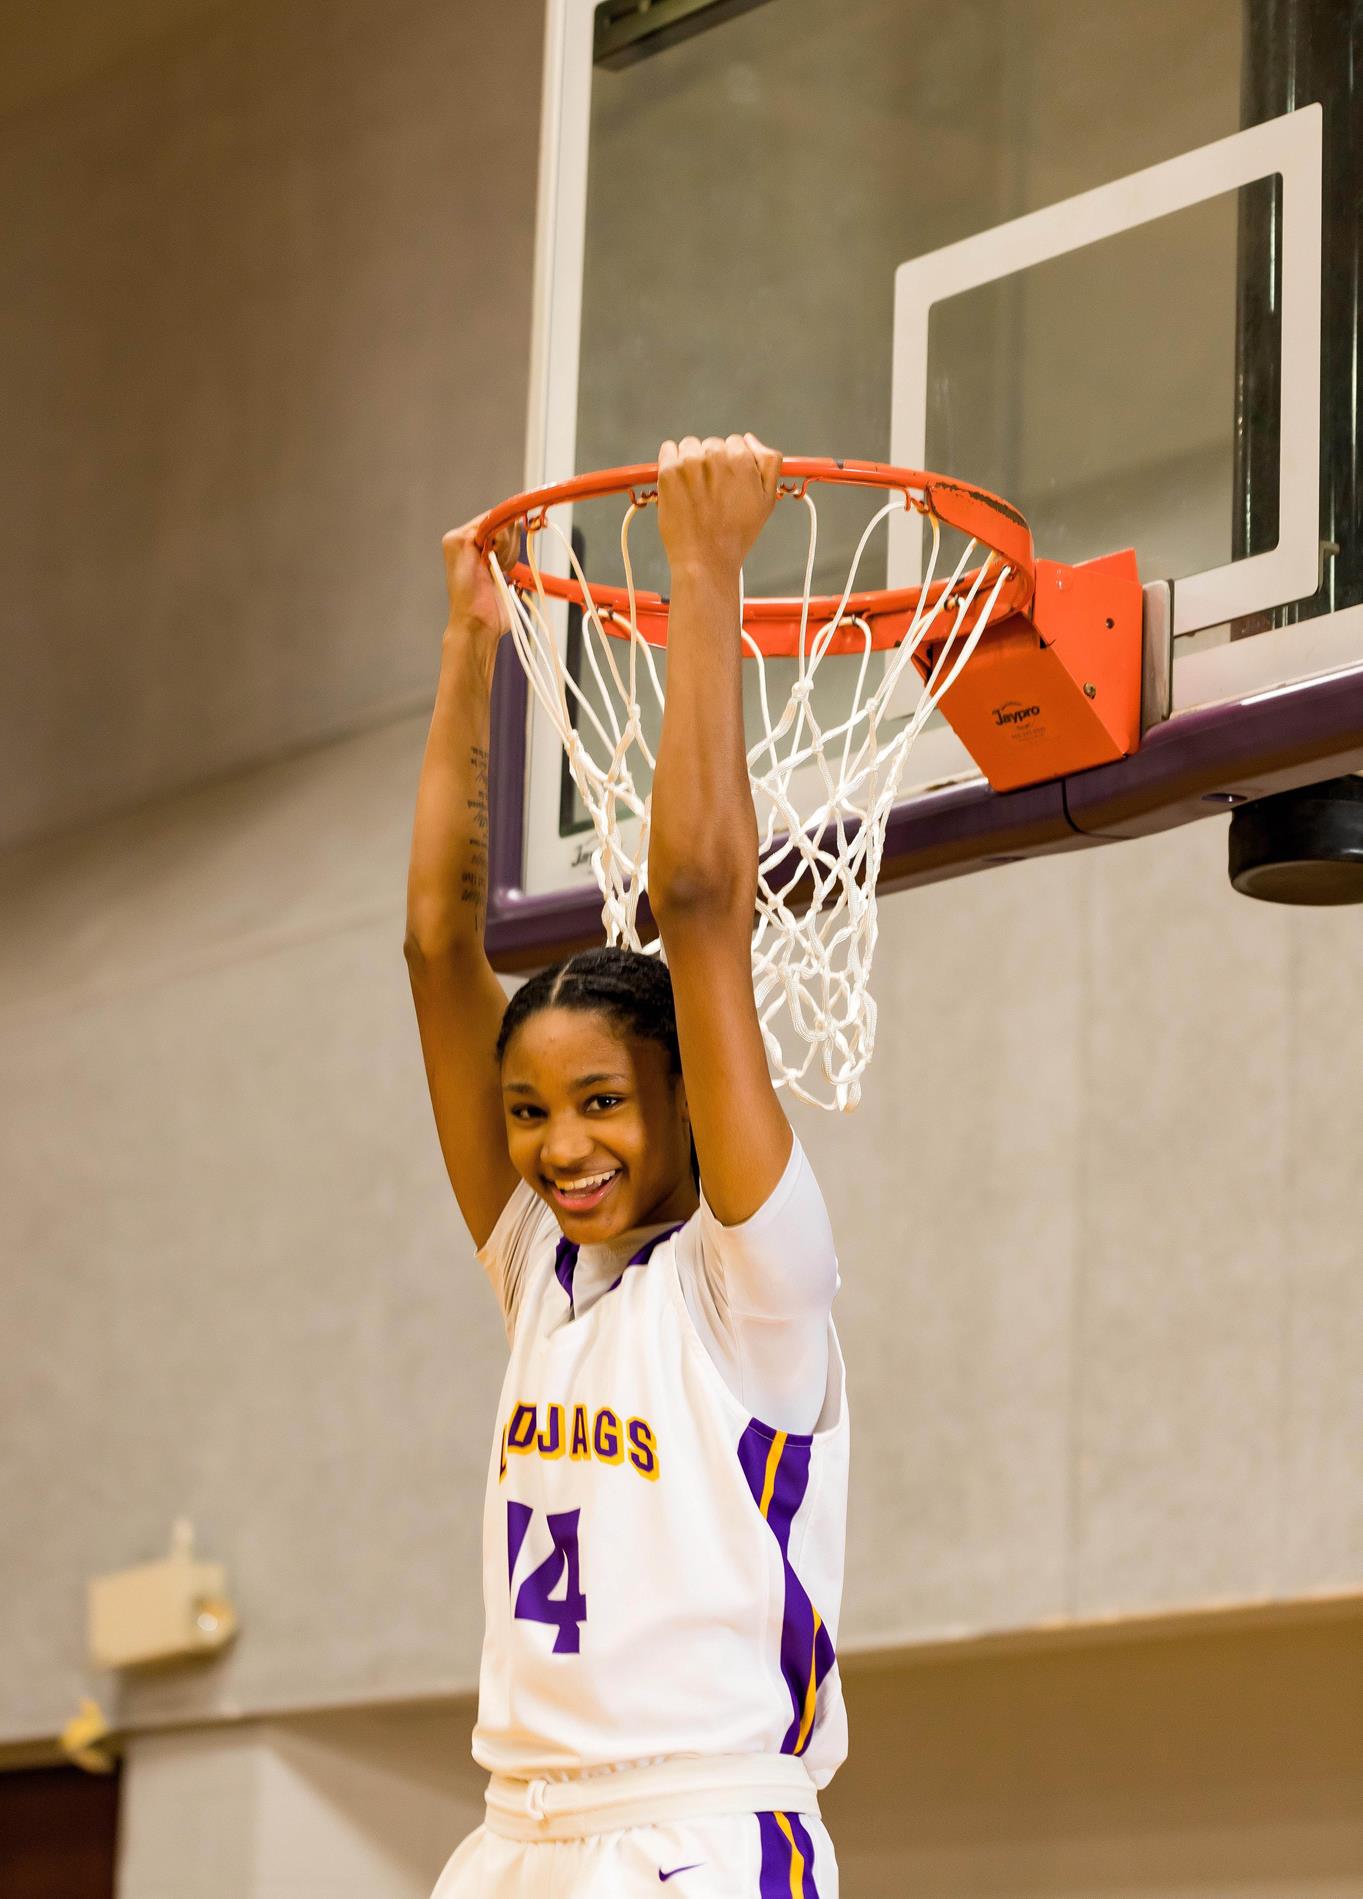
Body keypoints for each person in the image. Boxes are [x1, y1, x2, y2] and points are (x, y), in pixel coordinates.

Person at [405, 435, 849, 1898]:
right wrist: (474, 649)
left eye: (600, 1101)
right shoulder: (543, 1267)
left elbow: (704, 904)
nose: (558, 1147)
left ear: (682, 1091)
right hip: (516, 1826)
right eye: (529, 1114)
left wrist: (707, 570)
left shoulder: (753, 1289)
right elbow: (434, 947)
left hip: (698, 1831)